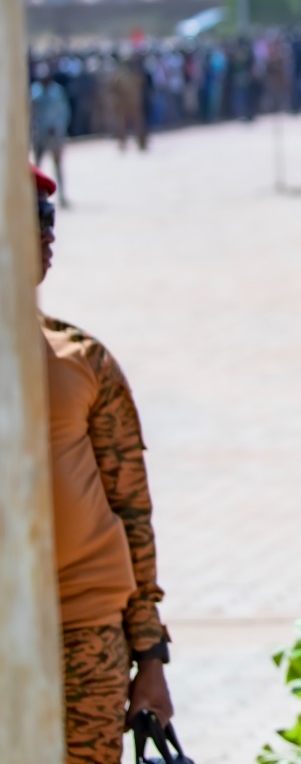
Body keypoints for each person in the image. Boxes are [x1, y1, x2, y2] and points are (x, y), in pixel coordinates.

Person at [33, 164, 174, 763]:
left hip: (85, 637)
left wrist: (150, 659)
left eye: (46, 227)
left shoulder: (83, 361)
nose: (44, 241)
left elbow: (131, 510)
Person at [31, 68, 72, 206]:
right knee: (37, 168)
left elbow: (64, 111)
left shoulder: (57, 91)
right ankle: (34, 197)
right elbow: (30, 113)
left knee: (58, 165)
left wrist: (60, 128)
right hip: (39, 134)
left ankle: (62, 195)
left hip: (55, 133)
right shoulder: (34, 91)